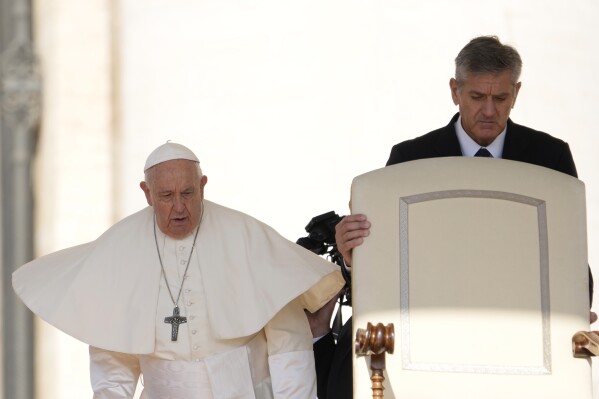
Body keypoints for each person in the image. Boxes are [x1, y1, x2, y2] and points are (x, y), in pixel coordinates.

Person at [310, 35, 596, 399]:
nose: (489, 110)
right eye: (477, 97)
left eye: (501, 98)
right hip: (428, 332)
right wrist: (353, 258)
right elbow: (385, 262)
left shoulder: (550, 156)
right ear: (454, 90)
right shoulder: (410, 157)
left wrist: (574, 303)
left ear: (517, 93)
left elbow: (567, 249)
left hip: (517, 333)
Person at [13, 142, 345, 398]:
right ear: (146, 194)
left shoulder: (246, 236)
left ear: (202, 185)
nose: (179, 207)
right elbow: (113, 361)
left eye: (187, 193)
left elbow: (289, 346)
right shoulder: (118, 249)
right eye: (166, 196)